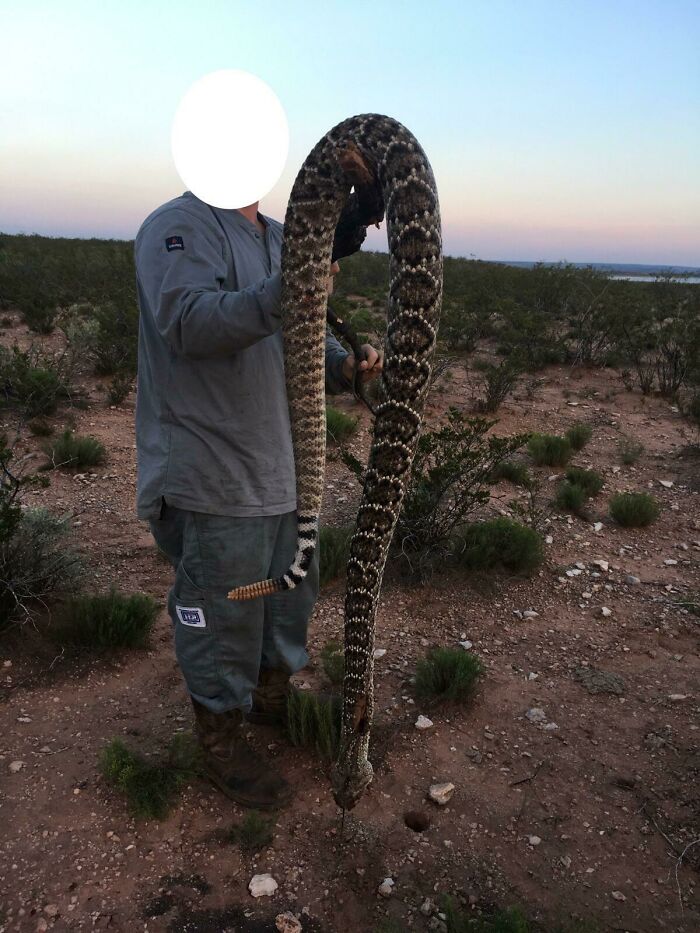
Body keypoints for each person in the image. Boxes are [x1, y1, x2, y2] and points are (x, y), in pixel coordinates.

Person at [134, 188, 382, 810]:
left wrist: (342, 365)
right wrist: (289, 291)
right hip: (212, 470)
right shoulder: (177, 226)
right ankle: (219, 739)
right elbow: (189, 321)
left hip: (282, 467)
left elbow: (291, 334)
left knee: (289, 597)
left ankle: (272, 700)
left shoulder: (279, 234)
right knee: (223, 612)